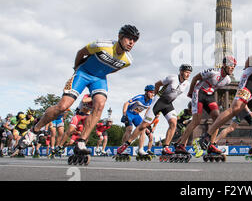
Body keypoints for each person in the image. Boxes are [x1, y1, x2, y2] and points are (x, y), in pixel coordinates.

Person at [19, 25, 139, 157]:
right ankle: (33, 131)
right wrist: (76, 69)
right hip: (83, 73)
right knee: (63, 106)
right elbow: (81, 53)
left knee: (100, 105)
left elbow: (115, 69)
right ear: (120, 37)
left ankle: (81, 141)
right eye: (129, 38)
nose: (132, 42)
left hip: (99, 79)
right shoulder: (101, 44)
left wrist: (101, 73)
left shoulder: (128, 60)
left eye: (135, 40)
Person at [117, 64, 192, 157]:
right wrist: (156, 96)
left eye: (189, 73)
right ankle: (126, 144)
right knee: (144, 125)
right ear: (181, 72)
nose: (188, 75)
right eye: (186, 72)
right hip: (159, 101)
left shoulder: (186, 84)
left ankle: (166, 147)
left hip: (168, 104)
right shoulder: (172, 78)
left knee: (173, 122)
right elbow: (157, 84)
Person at [176, 56, 236, 155]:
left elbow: (215, 87)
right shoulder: (213, 71)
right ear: (224, 65)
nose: (232, 68)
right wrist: (191, 92)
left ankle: (211, 145)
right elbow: (195, 78)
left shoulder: (228, 80)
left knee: (218, 119)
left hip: (209, 95)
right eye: (230, 65)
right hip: (199, 92)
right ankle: (181, 145)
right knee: (196, 121)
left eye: (234, 66)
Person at [119, 85, 155, 157]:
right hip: (129, 113)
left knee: (143, 129)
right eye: (151, 92)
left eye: (154, 93)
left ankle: (140, 150)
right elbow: (126, 103)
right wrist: (124, 114)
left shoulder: (151, 101)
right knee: (129, 129)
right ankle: (123, 148)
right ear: (146, 92)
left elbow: (148, 110)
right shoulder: (139, 97)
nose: (153, 94)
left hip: (136, 115)